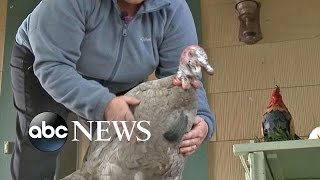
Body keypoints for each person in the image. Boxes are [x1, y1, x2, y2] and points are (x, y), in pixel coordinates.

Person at [10, 0, 215, 179]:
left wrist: (203, 118)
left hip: (123, 80)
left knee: (123, 152)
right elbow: (53, 67)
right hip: (49, 63)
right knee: (42, 141)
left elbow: (183, 79)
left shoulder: (174, 9)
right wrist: (103, 104)